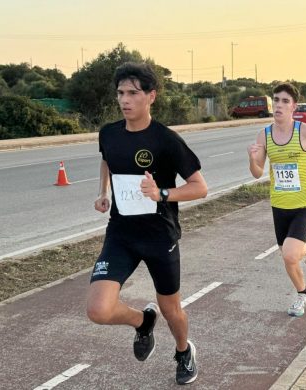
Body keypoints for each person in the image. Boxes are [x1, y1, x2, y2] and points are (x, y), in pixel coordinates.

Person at [86, 62, 207, 385]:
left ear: (150, 96)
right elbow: (107, 160)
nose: (125, 100)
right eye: (120, 93)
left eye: (133, 93)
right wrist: (103, 193)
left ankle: (184, 351)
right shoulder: (109, 133)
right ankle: (142, 321)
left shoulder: (166, 140)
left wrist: (162, 193)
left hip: (159, 237)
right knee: (98, 309)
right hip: (121, 234)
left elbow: (200, 186)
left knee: (172, 310)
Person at [247, 83, 306, 317]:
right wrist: (251, 158)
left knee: (290, 253)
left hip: (302, 204)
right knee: (288, 259)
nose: (278, 105)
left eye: (285, 101)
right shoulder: (264, 135)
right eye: (276, 100)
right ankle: (302, 293)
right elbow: (257, 172)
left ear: (293, 107)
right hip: (278, 205)